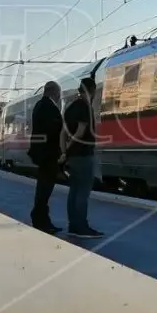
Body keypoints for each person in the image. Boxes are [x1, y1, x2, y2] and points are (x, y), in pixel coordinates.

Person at [60, 76, 104, 239]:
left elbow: (63, 133)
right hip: (83, 155)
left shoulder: (70, 107)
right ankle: (81, 227)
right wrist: (70, 148)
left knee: (74, 191)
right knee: (83, 192)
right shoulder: (85, 107)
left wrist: (64, 152)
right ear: (92, 91)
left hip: (72, 157)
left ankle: (73, 225)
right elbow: (80, 131)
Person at [28, 80, 63, 232]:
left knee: (43, 188)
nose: (59, 96)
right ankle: (40, 220)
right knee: (45, 189)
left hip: (43, 153)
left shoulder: (39, 105)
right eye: (59, 93)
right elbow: (52, 130)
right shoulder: (48, 107)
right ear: (53, 92)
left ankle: (42, 218)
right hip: (48, 154)